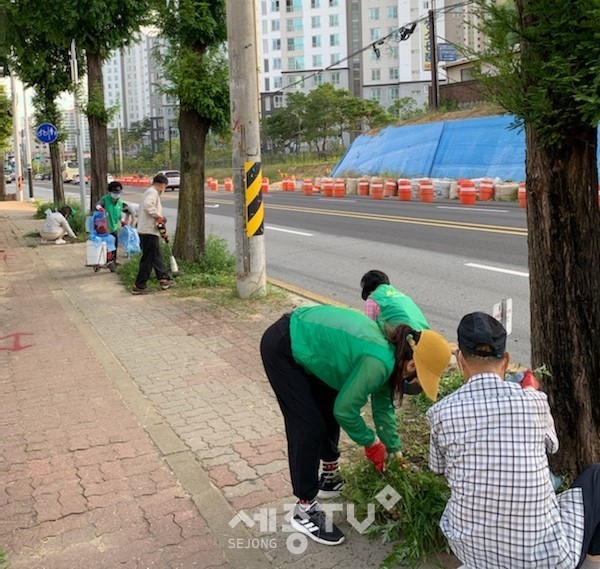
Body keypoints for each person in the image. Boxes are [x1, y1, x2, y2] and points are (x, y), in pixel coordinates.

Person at [260, 305, 451, 546]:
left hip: (313, 349)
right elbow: (346, 411)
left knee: (327, 410)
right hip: (284, 346)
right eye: (418, 379)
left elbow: (383, 409)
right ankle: (304, 508)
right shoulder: (378, 362)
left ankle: (329, 478)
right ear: (412, 365)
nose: (413, 384)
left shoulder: (393, 356)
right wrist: (371, 442)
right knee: (308, 427)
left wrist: (395, 451)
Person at [427, 311, 600, 569]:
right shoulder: (532, 401)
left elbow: (438, 468)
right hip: (543, 559)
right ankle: (592, 563)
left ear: (459, 358)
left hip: (470, 551)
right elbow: (552, 446)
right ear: (506, 360)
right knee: (596, 477)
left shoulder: (439, 413)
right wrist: (530, 391)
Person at [132, 173, 176, 295]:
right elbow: (148, 206)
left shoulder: (151, 192)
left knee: (156, 256)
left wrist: (161, 224)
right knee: (148, 259)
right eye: (165, 187)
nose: (164, 189)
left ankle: (164, 279)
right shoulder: (152, 192)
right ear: (161, 185)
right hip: (148, 231)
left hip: (150, 230)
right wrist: (158, 217)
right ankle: (139, 285)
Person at [360, 269, 429, 331]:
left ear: (369, 290)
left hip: (406, 338)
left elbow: (369, 327)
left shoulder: (373, 298)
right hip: (425, 334)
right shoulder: (401, 295)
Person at [96, 181, 125, 263]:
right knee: (106, 245)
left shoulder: (120, 202)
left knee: (114, 244)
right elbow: (97, 205)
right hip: (104, 226)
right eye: (114, 192)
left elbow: (119, 213)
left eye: (118, 193)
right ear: (110, 192)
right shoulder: (105, 199)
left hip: (114, 226)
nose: (116, 194)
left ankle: (113, 261)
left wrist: (122, 220)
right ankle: (105, 260)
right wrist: (100, 209)